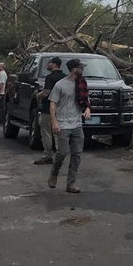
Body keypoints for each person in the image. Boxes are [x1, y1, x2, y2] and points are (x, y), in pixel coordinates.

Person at [47, 58, 90, 193]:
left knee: (77, 154)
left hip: (77, 123)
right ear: (74, 69)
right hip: (63, 124)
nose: (83, 69)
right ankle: (54, 172)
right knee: (62, 152)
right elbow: (53, 104)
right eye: (81, 67)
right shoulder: (60, 85)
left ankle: (71, 183)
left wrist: (88, 109)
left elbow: (85, 99)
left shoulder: (81, 83)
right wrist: (54, 122)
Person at [33, 57, 66, 165]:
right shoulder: (65, 77)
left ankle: (48, 155)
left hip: (48, 108)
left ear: (54, 64)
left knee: (46, 132)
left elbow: (46, 92)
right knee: (58, 132)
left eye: (49, 63)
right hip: (62, 108)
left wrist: (38, 95)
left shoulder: (50, 77)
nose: (47, 65)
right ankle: (59, 155)